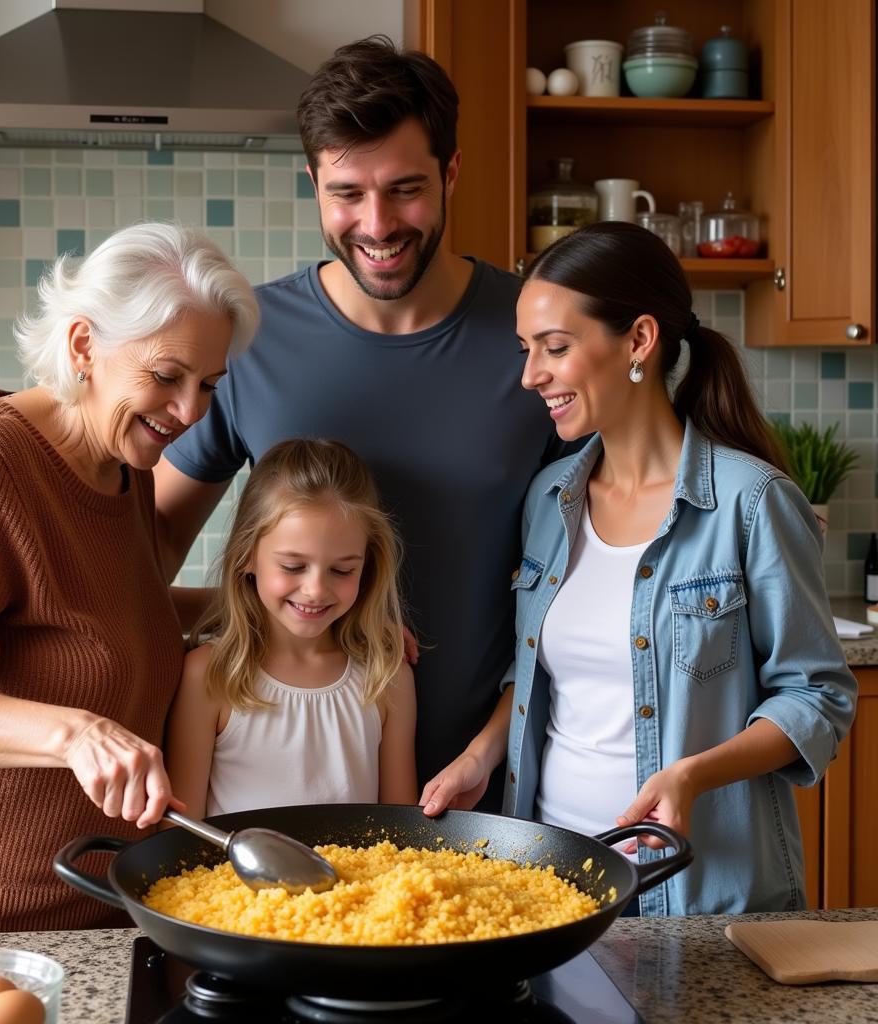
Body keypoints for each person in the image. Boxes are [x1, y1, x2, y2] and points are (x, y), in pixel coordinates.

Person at [154, 36, 564, 798]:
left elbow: (589, 587)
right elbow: (149, 547)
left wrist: (486, 751)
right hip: (295, 795)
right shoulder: (248, 338)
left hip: (502, 784)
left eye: (405, 188)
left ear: (452, 172)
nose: (376, 224)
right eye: (347, 193)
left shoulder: (539, 336)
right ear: (313, 181)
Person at [421, 221, 857, 916]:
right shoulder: (549, 498)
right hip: (552, 886)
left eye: (555, 348)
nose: (531, 375)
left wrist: (690, 774)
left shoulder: (752, 502)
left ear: (639, 341)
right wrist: (481, 755)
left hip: (695, 892)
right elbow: (537, 671)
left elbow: (818, 698)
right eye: (527, 350)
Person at [0, 222, 259, 936]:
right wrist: (73, 734)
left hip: (87, 899)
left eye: (208, 386)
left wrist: (278, 610)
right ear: (84, 347)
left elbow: (98, 618)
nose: (191, 412)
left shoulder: (120, 466)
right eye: (167, 377)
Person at [166, 438, 417, 818]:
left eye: (342, 570)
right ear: (247, 556)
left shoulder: (388, 677)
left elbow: (403, 835)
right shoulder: (208, 675)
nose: (316, 589)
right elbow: (179, 838)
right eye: (293, 566)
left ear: (367, 568)